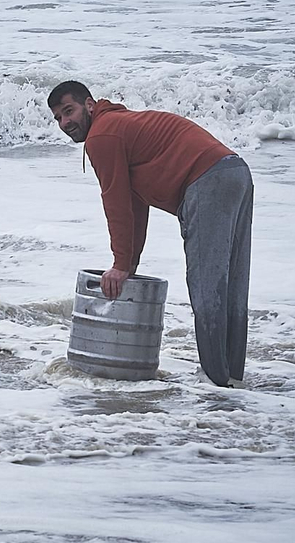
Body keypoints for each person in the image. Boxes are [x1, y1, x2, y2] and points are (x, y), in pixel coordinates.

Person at [48, 81, 253, 387]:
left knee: (207, 288)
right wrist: (129, 264)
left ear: (89, 105)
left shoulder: (103, 135)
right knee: (231, 287)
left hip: (206, 180)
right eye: (58, 118)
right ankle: (232, 378)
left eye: (69, 111)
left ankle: (215, 382)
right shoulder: (121, 126)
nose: (66, 123)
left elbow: (114, 201)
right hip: (235, 171)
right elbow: (134, 206)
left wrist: (119, 264)